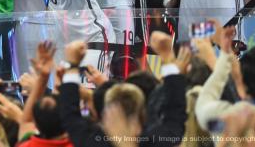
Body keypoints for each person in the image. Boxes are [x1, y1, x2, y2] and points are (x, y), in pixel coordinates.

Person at [58, 33, 187, 147]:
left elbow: (70, 116)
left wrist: (72, 65)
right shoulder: (161, 140)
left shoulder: (93, 141)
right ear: (145, 111)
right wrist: (167, 57)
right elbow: (175, 110)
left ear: (104, 115)